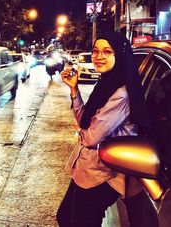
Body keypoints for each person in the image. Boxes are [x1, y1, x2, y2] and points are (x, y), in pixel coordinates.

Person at [56, 31, 150, 227]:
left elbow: (90, 137)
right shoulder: (105, 84)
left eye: (107, 52)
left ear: (119, 54)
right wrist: (74, 90)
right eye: (96, 51)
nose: (99, 56)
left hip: (103, 173)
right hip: (87, 168)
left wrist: (81, 134)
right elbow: (85, 122)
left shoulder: (121, 94)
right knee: (65, 217)